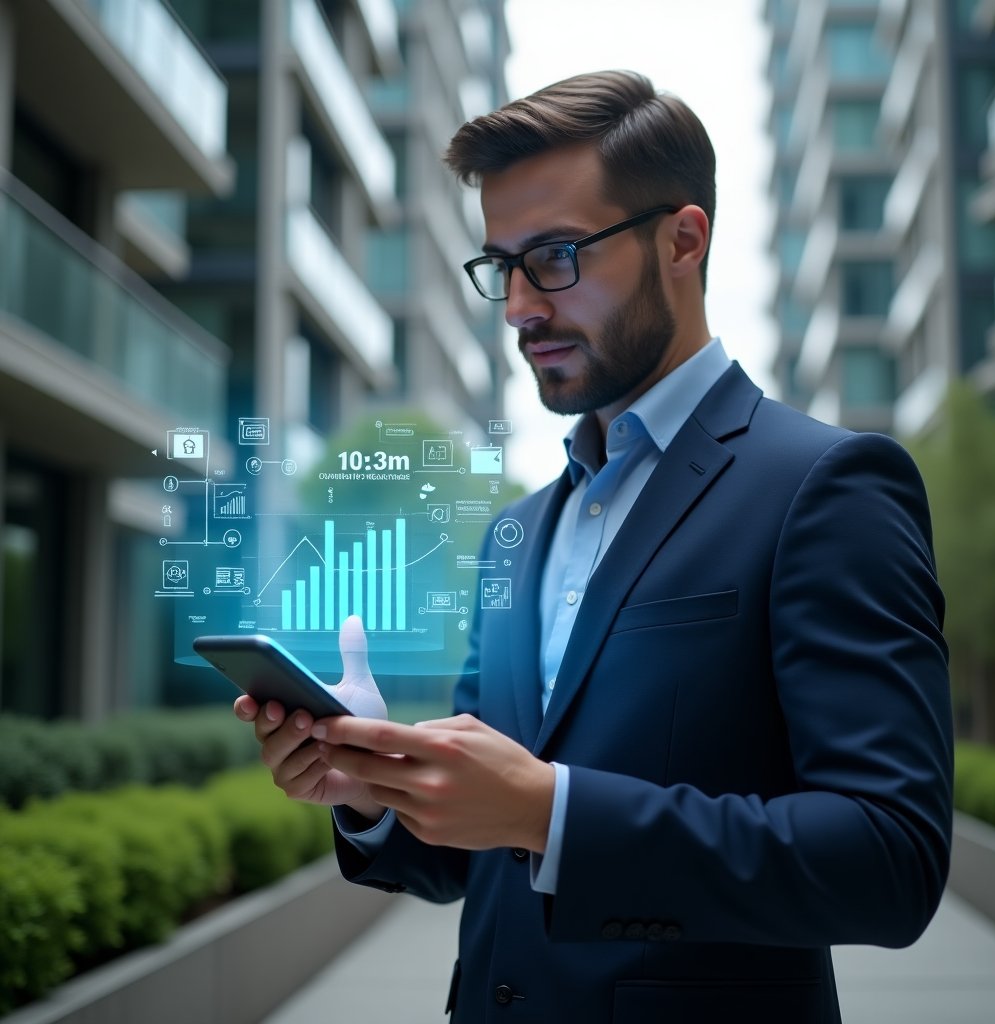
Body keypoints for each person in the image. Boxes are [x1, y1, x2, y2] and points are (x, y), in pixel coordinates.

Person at [236, 70, 953, 1023]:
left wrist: (553, 812)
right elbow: (467, 856)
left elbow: (890, 858)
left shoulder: (826, 486)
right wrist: (371, 787)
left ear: (682, 242)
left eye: (558, 256)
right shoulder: (516, 533)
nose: (520, 308)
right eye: (502, 266)